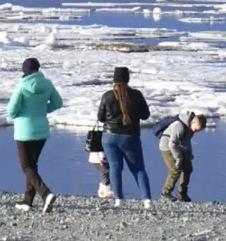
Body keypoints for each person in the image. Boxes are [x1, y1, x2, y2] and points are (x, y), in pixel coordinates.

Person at [3, 57, 63, 212]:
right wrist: (42, 110)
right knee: (32, 165)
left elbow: (11, 110)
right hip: (41, 131)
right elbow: (58, 103)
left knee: (26, 166)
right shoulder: (47, 84)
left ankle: (46, 193)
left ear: (25, 71)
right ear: (38, 69)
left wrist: (21, 115)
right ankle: (27, 201)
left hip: (24, 131)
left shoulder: (22, 85)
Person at [95, 66, 153, 208]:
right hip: (130, 136)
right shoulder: (137, 95)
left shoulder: (107, 96)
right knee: (138, 168)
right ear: (128, 79)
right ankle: (147, 200)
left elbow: (100, 118)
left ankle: (119, 200)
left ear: (114, 80)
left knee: (115, 168)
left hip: (109, 137)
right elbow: (146, 115)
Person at [153, 111, 208, 202]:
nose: (196, 131)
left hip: (178, 146)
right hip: (167, 147)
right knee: (175, 169)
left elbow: (186, 142)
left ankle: (182, 193)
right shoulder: (178, 126)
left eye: (198, 131)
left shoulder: (190, 128)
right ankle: (165, 193)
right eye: (196, 129)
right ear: (193, 122)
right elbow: (172, 144)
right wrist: (178, 158)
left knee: (188, 168)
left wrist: (189, 154)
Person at [85, 129, 112, 198]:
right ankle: (106, 189)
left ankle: (103, 188)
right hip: (99, 155)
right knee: (106, 171)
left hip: (97, 155)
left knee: (105, 171)